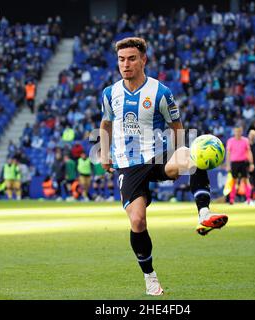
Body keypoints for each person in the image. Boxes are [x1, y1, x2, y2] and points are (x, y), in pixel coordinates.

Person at [99, 37, 228, 296]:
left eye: (132, 58)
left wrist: (180, 153)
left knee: (193, 155)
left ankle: (204, 213)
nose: (126, 64)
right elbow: (105, 124)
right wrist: (104, 153)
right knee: (137, 221)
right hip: (128, 164)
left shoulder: (161, 92)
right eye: (122, 59)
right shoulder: (110, 93)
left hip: (158, 156)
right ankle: (150, 277)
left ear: (143, 60)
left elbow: (177, 128)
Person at [225, 126, 254, 205]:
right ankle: (231, 199)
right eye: (236, 131)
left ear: (241, 131)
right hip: (234, 163)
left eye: (239, 131)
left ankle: (248, 199)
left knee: (245, 180)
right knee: (234, 181)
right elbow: (228, 153)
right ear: (234, 132)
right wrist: (227, 165)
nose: (238, 133)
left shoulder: (245, 140)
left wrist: (251, 163)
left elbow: (249, 152)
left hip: (243, 162)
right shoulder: (230, 141)